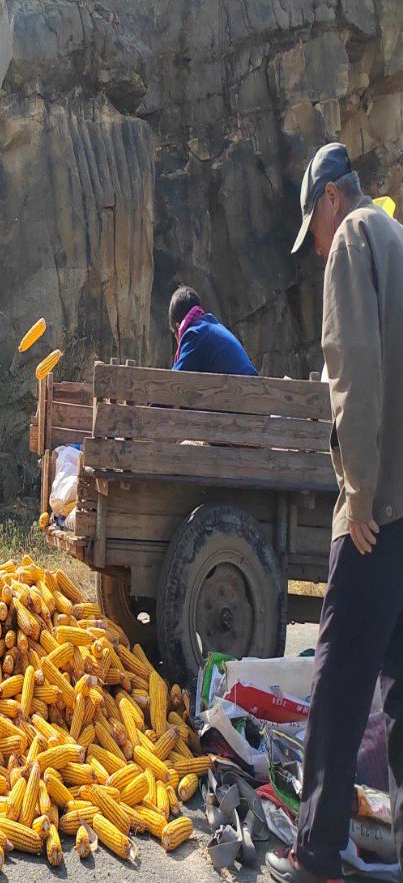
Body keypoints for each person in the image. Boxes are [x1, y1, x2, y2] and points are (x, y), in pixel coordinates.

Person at [266, 142, 403, 883]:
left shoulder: (354, 236)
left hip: (381, 507)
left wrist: (357, 495)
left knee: (340, 673)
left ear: (327, 200)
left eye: (310, 231)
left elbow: (355, 372)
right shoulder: (399, 236)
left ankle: (316, 851)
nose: (315, 248)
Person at [169, 286, 258, 376]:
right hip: (251, 386)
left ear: (178, 327)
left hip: (241, 387)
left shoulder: (194, 334)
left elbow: (173, 380)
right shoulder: (212, 327)